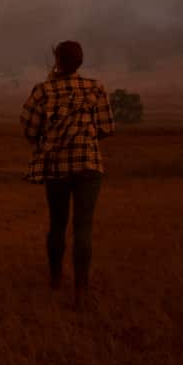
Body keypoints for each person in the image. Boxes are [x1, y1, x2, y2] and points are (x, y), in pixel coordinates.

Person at [20, 39, 115, 309]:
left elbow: (29, 128)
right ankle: (81, 289)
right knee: (83, 226)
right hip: (89, 165)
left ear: (56, 60)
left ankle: (55, 278)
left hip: (57, 167)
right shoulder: (95, 88)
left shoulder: (43, 90)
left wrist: (50, 138)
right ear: (80, 62)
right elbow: (107, 127)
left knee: (58, 225)